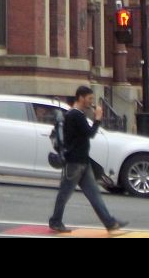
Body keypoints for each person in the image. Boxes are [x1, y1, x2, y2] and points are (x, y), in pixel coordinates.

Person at [48, 85, 127, 233]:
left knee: (94, 194)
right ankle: (55, 221)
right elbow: (89, 133)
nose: (91, 102)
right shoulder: (75, 115)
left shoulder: (75, 114)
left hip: (83, 162)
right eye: (89, 98)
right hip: (74, 162)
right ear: (81, 97)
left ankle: (110, 223)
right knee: (64, 193)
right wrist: (97, 119)